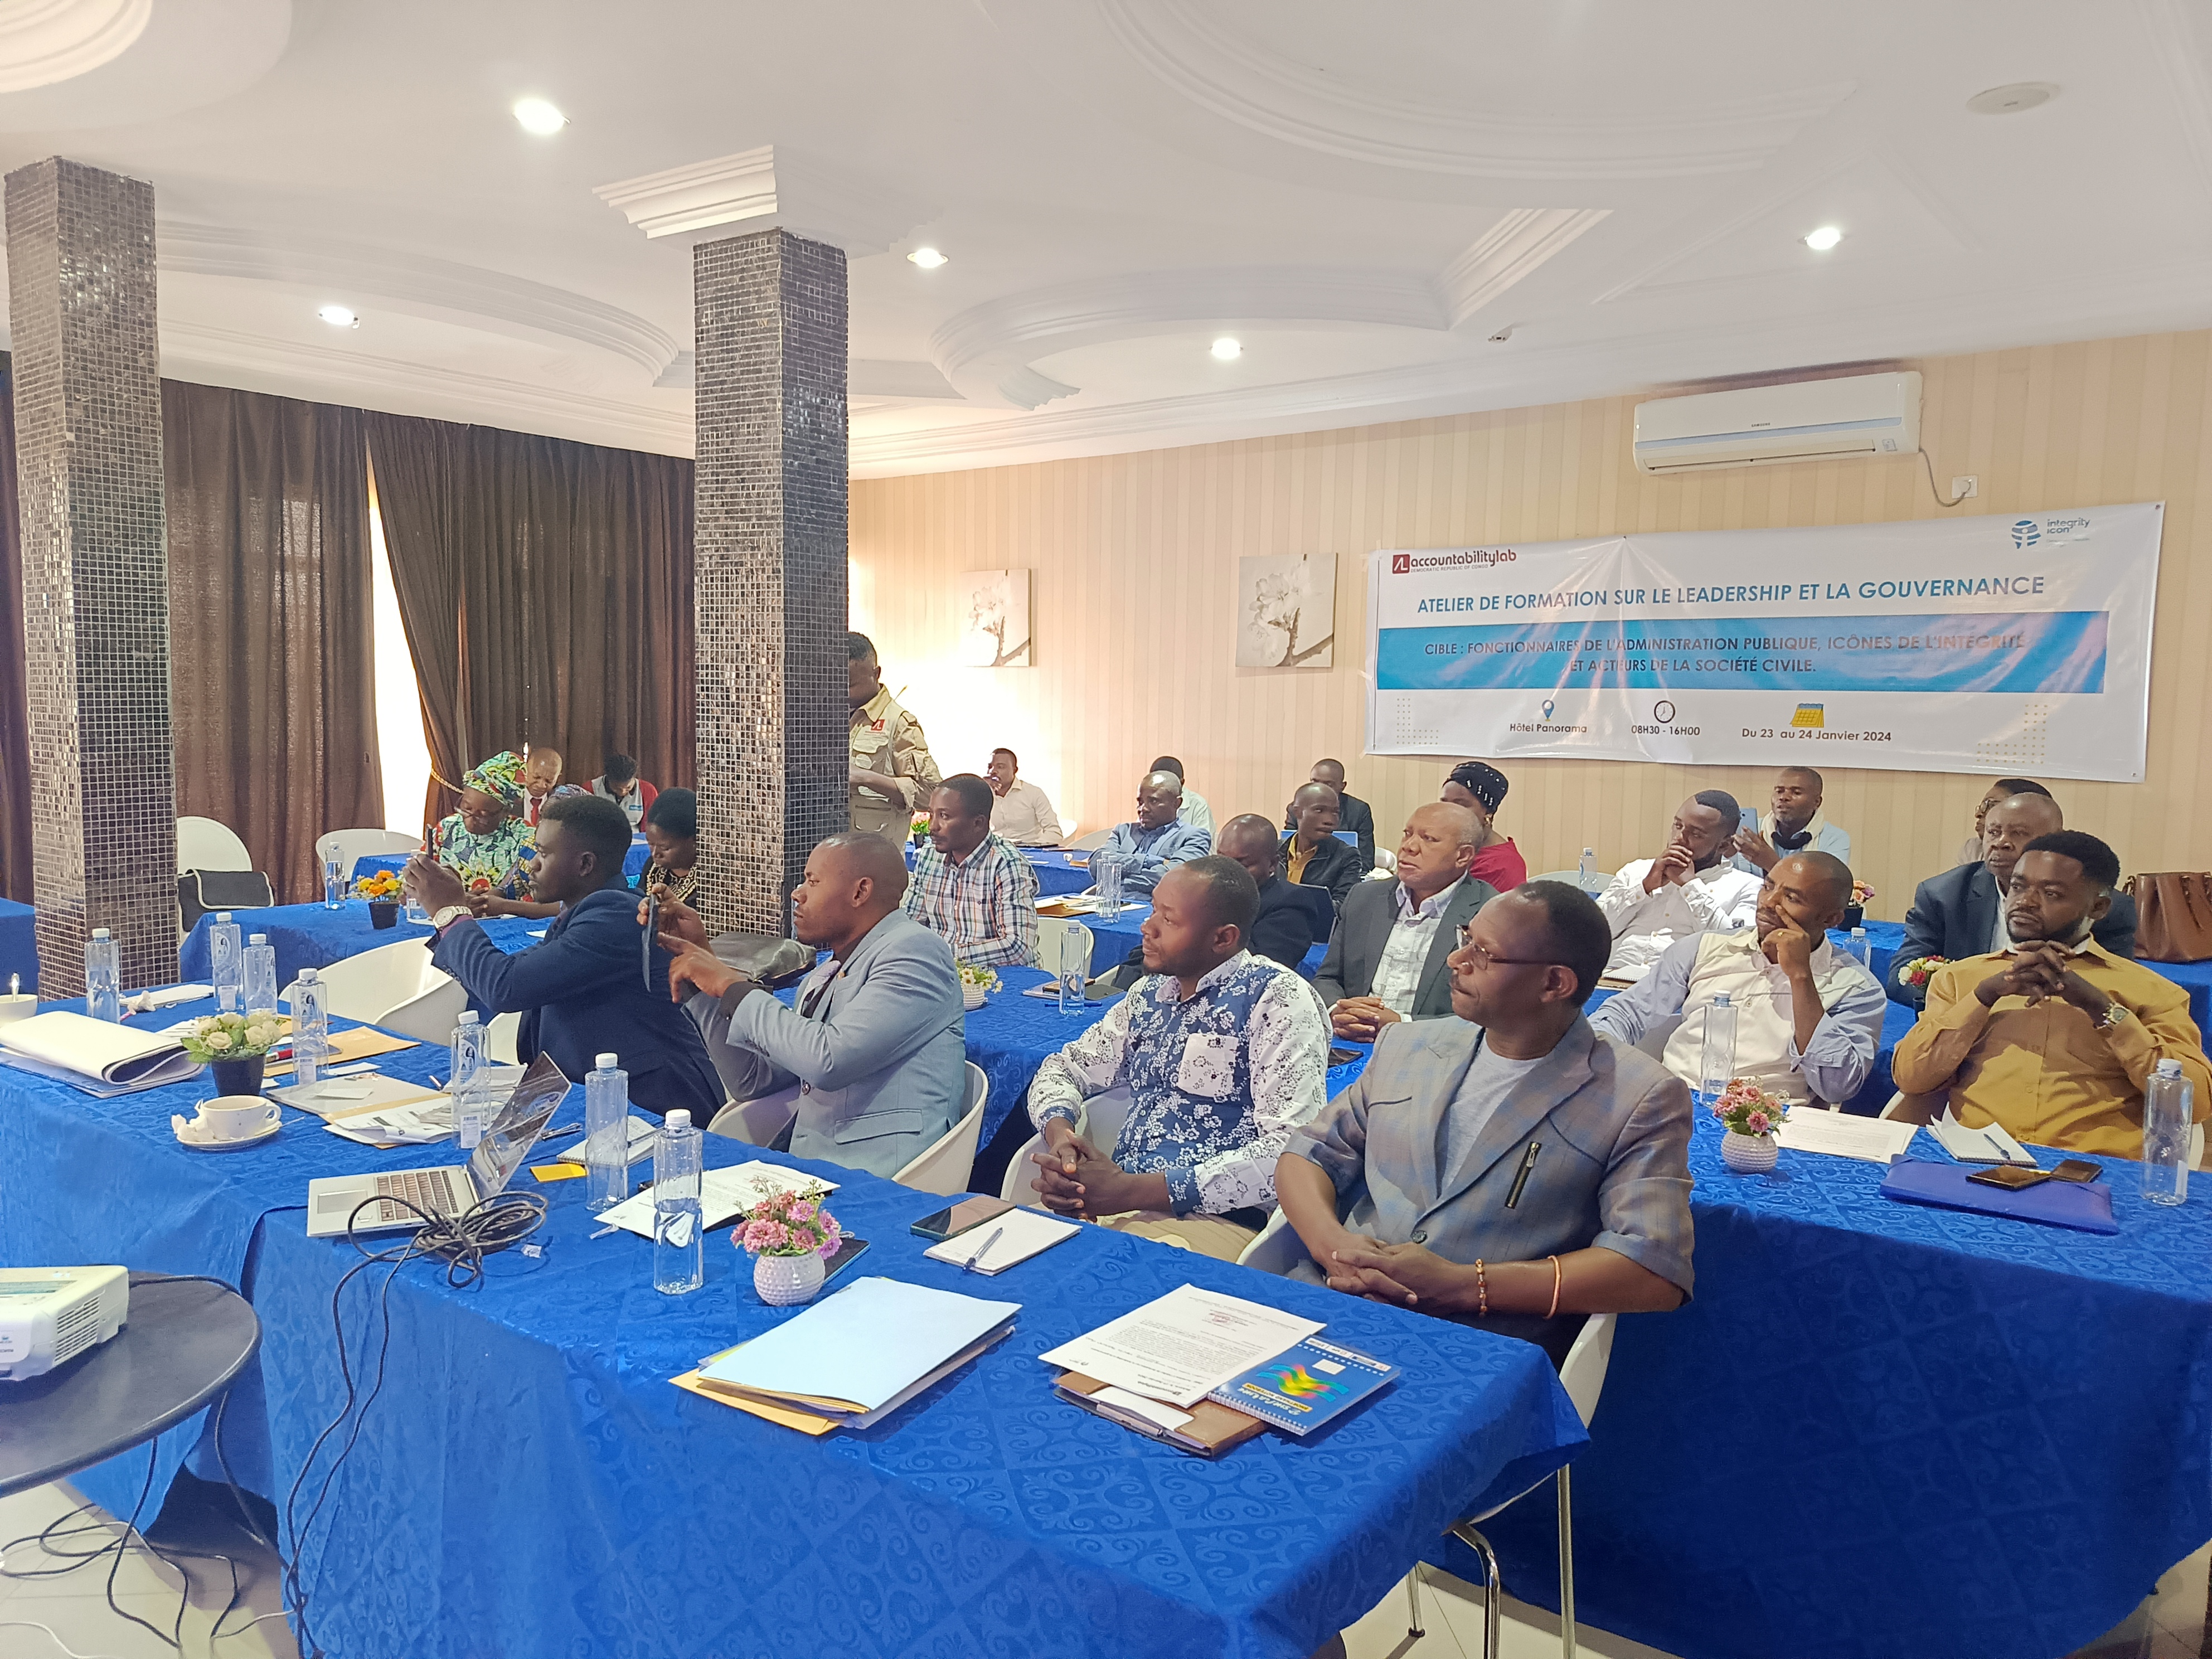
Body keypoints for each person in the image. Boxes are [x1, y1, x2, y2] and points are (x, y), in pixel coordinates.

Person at [1270, 882, 1695, 1366]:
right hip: (1331, 1301)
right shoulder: (1408, 1046)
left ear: (1555, 984)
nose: (1456, 960)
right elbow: (1309, 1155)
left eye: (1484, 954)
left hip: (1475, 1344)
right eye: (1465, 938)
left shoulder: (1638, 1095)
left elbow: (1651, 1268)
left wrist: (1465, 1286)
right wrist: (1336, 1249)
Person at [1027, 857, 1328, 1260]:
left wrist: (1132, 1191)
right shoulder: (1149, 995)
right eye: (1153, 909)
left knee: (1091, 1279)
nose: (1147, 927)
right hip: (1115, 1201)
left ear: (1222, 938)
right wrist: (1064, 1143)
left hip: (1216, 1219)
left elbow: (1292, 1151)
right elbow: (1063, 1068)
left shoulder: (1275, 999)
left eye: (1168, 920)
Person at [661, 832, 966, 1177]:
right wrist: (701, 969)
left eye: (813, 881)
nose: (797, 893)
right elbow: (753, 1080)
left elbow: (829, 1060)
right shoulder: (826, 973)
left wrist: (732, 986)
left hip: (882, 1178)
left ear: (860, 892)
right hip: (811, 1168)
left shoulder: (915, 951)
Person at [1890, 832, 2209, 1156]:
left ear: (2098, 908)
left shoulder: (2151, 990)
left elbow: (2193, 1105)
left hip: (2092, 1168)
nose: (2025, 902)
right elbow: (1911, 1079)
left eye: (2051, 893)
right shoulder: (1962, 978)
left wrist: (2101, 1008)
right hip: (1974, 1159)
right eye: (2018, 886)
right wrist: (1984, 997)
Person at [408, 793, 720, 1118]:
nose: (533, 864)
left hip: (658, 1107)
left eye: (544, 853)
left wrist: (450, 912)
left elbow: (506, 987)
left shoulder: (615, 915)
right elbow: (513, 972)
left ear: (585, 864)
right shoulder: (591, 912)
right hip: (609, 1097)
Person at [1590, 852, 1886, 1109]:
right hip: (1672, 1106)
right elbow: (1627, 1013)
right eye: (1768, 886)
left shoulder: (1856, 987)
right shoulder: (1704, 948)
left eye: (1792, 898)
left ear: (1831, 919)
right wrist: (1588, 1054)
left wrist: (1801, 977)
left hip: (1771, 1122)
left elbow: (1838, 1086)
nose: (1769, 902)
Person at [1889, 790, 2138, 1007]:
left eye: (2018, 833)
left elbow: (2118, 990)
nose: (2001, 843)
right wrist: (1984, 996)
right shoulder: (1944, 894)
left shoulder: (2103, 907)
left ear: (2054, 838)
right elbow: (1902, 977)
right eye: (1993, 832)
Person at [1315, 803, 1497, 1040]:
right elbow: (1327, 978)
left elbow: (1490, 1011)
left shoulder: (1490, 914)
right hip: (1350, 1040)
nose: (1408, 847)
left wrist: (1403, 1025)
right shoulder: (1364, 898)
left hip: (1434, 1047)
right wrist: (1338, 1011)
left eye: (1429, 839)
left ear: (1463, 856)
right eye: (1407, 834)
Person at [1102, 813, 1321, 986]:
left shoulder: (1291, 902)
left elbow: (1257, 970)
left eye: (1242, 864)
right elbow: (1148, 948)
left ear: (1272, 864)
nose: (1227, 870)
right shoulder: (1203, 891)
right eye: (1222, 859)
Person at [1595, 792, 1762, 984]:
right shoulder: (1636, 871)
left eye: (1696, 834)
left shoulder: (1747, 887)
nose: (1679, 838)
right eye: (1677, 825)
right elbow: (1593, 931)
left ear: (1724, 845)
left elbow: (1736, 950)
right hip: (1609, 981)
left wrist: (1691, 887)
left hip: (1682, 990)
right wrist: (1644, 888)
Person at [904, 773, 1040, 968]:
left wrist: (942, 953)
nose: (932, 826)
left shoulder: (1006, 864)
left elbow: (1018, 948)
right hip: (941, 971)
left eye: (944, 816)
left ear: (978, 823)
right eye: (932, 814)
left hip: (1003, 977)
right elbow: (912, 925)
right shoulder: (929, 857)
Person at [847, 630, 942, 848]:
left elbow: (931, 795)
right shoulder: (823, 717)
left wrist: (866, 777)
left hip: (876, 854)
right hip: (830, 850)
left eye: (851, 684)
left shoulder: (899, 723)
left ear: (876, 674)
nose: (842, 690)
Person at [430, 751, 536, 897]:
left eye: (483, 816)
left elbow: (534, 892)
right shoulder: (447, 829)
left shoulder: (524, 836)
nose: (470, 820)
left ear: (505, 812)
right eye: (466, 808)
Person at [1095, 770, 1211, 895]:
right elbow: (1096, 863)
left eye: (1153, 801)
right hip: (1111, 903)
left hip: (1152, 905)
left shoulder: (1194, 836)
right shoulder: (1123, 831)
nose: (1143, 809)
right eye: (1140, 802)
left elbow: (1173, 878)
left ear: (1176, 803)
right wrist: (1149, 861)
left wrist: (1120, 881)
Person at [1729, 767, 1851, 877]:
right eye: (1779, 791)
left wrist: (1771, 863)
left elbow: (1824, 888)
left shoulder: (1835, 839)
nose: (1784, 797)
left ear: (1817, 802)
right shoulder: (1751, 830)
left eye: (1796, 793)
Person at [1440, 760, 1528, 891]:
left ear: (1488, 812)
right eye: (1444, 803)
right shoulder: (1453, 842)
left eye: (1461, 805)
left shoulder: (1501, 866)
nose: (1449, 811)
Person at [1278, 783, 1362, 906]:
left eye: (1335, 812)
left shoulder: (1346, 857)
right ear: (1298, 812)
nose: (1330, 821)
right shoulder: (1274, 850)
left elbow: (1343, 908)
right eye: (1319, 810)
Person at [1283, 759, 1375, 870]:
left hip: (1344, 871)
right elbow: (1287, 851)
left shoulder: (1359, 811)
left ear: (1342, 786)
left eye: (1328, 785)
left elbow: (1366, 859)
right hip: (1304, 870)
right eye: (1315, 782)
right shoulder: (1298, 807)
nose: (1320, 789)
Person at [1958, 777, 2050, 866]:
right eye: (1983, 806)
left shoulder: (2050, 861)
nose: (1978, 814)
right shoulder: (1973, 849)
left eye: (1991, 805)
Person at [984, 748, 1063, 846]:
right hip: (996, 850)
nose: (993, 771)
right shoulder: (983, 794)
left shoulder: (1033, 793)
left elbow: (1054, 832)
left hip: (1029, 849)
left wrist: (1033, 848)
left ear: (1014, 770)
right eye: (990, 767)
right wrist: (981, 787)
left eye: (1000, 767)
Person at [638, 787, 699, 907]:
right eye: (651, 844)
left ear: (694, 840)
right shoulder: (653, 869)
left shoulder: (711, 880)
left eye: (665, 848)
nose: (655, 854)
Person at [590, 753, 658, 830]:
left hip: (635, 835)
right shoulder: (591, 789)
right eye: (617, 788)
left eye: (628, 788)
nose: (622, 792)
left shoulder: (648, 791)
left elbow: (650, 823)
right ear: (608, 780)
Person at [1150, 755, 1214, 836]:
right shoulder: (1147, 804)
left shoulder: (1198, 805)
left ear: (1181, 783)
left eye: (1164, 786)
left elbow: (1202, 841)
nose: (1158, 790)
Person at [521, 748, 564, 828]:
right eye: (536, 777)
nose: (541, 785)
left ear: (558, 779)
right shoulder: (509, 797)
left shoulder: (561, 803)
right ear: (525, 769)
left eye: (549, 781)